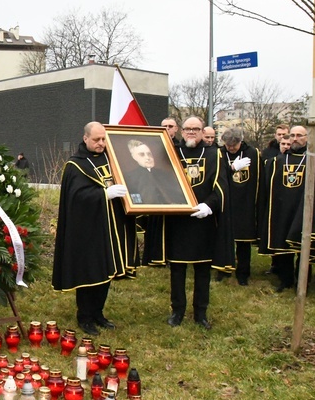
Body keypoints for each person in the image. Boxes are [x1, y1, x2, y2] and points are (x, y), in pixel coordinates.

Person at [52, 122, 137, 336]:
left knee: (107, 272)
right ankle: (85, 316)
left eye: (103, 139)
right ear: (85, 138)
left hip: (111, 227)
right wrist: (103, 195)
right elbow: (75, 198)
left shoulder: (113, 159)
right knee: (89, 272)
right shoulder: (76, 165)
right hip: (87, 230)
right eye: (96, 140)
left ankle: (98, 313)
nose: (101, 144)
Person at [149, 116, 233, 330]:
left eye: (196, 129)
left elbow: (222, 187)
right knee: (177, 269)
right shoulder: (172, 153)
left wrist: (208, 206)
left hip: (203, 222)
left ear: (202, 131)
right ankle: (177, 311)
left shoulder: (215, 154)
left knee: (202, 269)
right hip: (178, 221)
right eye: (188, 129)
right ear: (181, 131)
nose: (191, 132)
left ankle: (200, 312)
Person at [258, 125, 315, 292]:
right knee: (283, 246)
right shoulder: (277, 161)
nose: (295, 138)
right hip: (282, 209)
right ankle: (285, 280)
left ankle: (303, 282)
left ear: (307, 138)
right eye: (292, 135)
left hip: (303, 210)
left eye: (299, 135)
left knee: (304, 248)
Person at [219, 127, 262, 286]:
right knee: (224, 240)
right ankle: (223, 269)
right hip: (226, 201)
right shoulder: (220, 153)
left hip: (245, 202)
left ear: (240, 142)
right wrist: (231, 168)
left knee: (244, 242)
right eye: (228, 146)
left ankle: (243, 273)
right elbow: (217, 174)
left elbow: (258, 178)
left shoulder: (252, 153)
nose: (230, 148)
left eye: (234, 146)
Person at [123, 139, 185, 204]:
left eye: (149, 154)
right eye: (142, 154)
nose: (148, 157)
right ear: (134, 157)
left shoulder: (165, 175)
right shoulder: (129, 178)